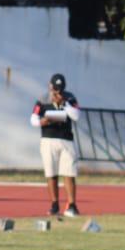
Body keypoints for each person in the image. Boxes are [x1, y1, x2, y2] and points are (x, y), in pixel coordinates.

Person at [31, 73, 82, 216]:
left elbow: (77, 116)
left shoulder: (70, 97)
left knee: (69, 172)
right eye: (56, 88)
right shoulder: (42, 99)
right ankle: (54, 205)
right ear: (50, 86)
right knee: (51, 172)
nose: (58, 92)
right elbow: (33, 119)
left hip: (66, 140)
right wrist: (42, 122)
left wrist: (64, 104)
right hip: (48, 139)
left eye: (60, 89)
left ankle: (72, 205)